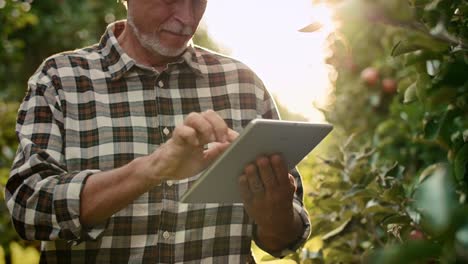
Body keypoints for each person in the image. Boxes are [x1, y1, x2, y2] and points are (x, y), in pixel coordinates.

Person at [5, 0, 311, 262]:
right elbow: (27, 207)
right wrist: (153, 168)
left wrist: (276, 213)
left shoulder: (244, 85)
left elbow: (284, 239)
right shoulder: (61, 80)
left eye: (198, 1)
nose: (186, 18)